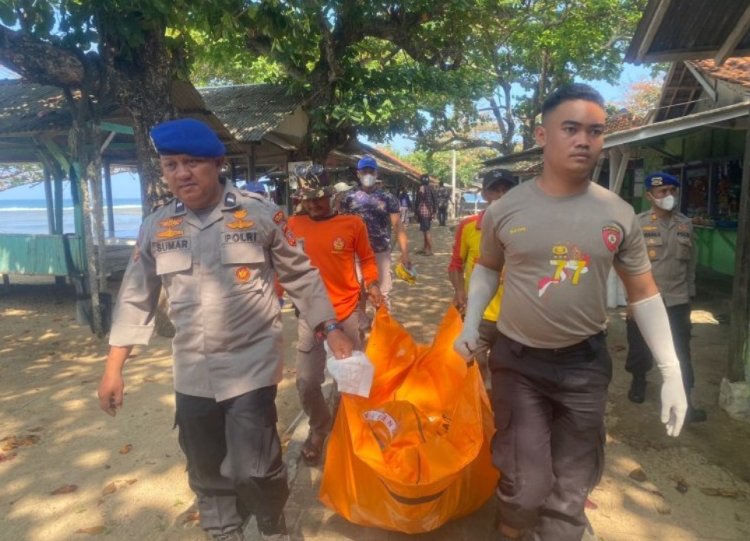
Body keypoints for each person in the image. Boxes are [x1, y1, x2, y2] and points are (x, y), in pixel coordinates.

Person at [96, 119, 353, 541]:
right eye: (170, 164)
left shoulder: (261, 215)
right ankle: (223, 532)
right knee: (205, 464)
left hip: (250, 365)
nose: (181, 173)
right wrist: (113, 367)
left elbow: (302, 278)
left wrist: (331, 327)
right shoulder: (157, 226)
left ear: (217, 164)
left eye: (192, 162)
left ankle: (272, 526)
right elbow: (134, 296)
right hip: (192, 371)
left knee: (256, 466)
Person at [453, 84, 688, 541]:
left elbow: (643, 293)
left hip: (584, 366)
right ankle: (514, 524)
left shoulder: (617, 214)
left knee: (572, 485)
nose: (585, 139)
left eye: (595, 131)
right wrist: (470, 321)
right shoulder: (505, 210)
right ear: (543, 135)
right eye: (571, 128)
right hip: (518, 363)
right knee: (525, 484)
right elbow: (486, 270)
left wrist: (672, 369)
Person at [286, 166, 383, 465]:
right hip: (310, 316)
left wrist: (374, 285)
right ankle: (320, 427)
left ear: (332, 196)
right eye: (307, 200)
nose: (313, 205)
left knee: (351, 379)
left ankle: (349, 428)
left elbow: (366, 258)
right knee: (306, 381)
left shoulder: (352, 223)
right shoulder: (291, 225)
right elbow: (283, 268)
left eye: (319, 198)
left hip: (347, 311)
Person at [626, 172, 705, 421]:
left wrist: (689, 295)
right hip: (645, 301)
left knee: (681, 351)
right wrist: (630, 300)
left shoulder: (686, 224)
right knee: (640, 349)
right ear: (650, 195)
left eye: (672, 191)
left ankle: (686, 400)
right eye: (662, 192)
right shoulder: (637, 224)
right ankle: (639, 381)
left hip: (677, 300)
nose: (668, 196)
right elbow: (627, 265)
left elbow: (690, 264)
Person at [448, 169, 516, 385]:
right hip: (480, 315)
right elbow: (456, 265)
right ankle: (479, 410)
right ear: (484, 194)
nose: (501, 195)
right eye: (494, 190)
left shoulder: (527, 230)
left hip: (512, 317)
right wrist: (460, 292)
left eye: (506, 189)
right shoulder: (468, 226)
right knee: (475, 365)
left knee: (505, 370)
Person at [341, 156, 411, 310]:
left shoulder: (388, 198)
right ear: (358, 174)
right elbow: (341, 227)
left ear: (376, 173)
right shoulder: (348, 198)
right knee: (358, 294)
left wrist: (405, 254)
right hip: (356, 254)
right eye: (364, 171)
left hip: (380, 252)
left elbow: (398, 226)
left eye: (370, 171)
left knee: (382, 293)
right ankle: (361, 329)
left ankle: (383, 328)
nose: (367, 175)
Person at [414, 174, 438, 255]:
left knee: (426, 231)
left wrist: (416, 212)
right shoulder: (431, 188)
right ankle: (425, 248)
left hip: (423, 212)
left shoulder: (421, 188)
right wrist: (434, 211)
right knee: (425, 230)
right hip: (429, 212)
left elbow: (418, 201)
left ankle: (429, 250)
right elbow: (435, 200)